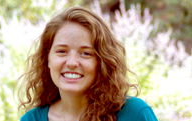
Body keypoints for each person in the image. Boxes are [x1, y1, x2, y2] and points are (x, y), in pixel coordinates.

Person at [16, 6, 158, 121]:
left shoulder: (135, 114)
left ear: (101, 62)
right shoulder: (31, 119)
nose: (72, 63)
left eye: (86, 53)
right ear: (47, 58)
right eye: (61, 51)